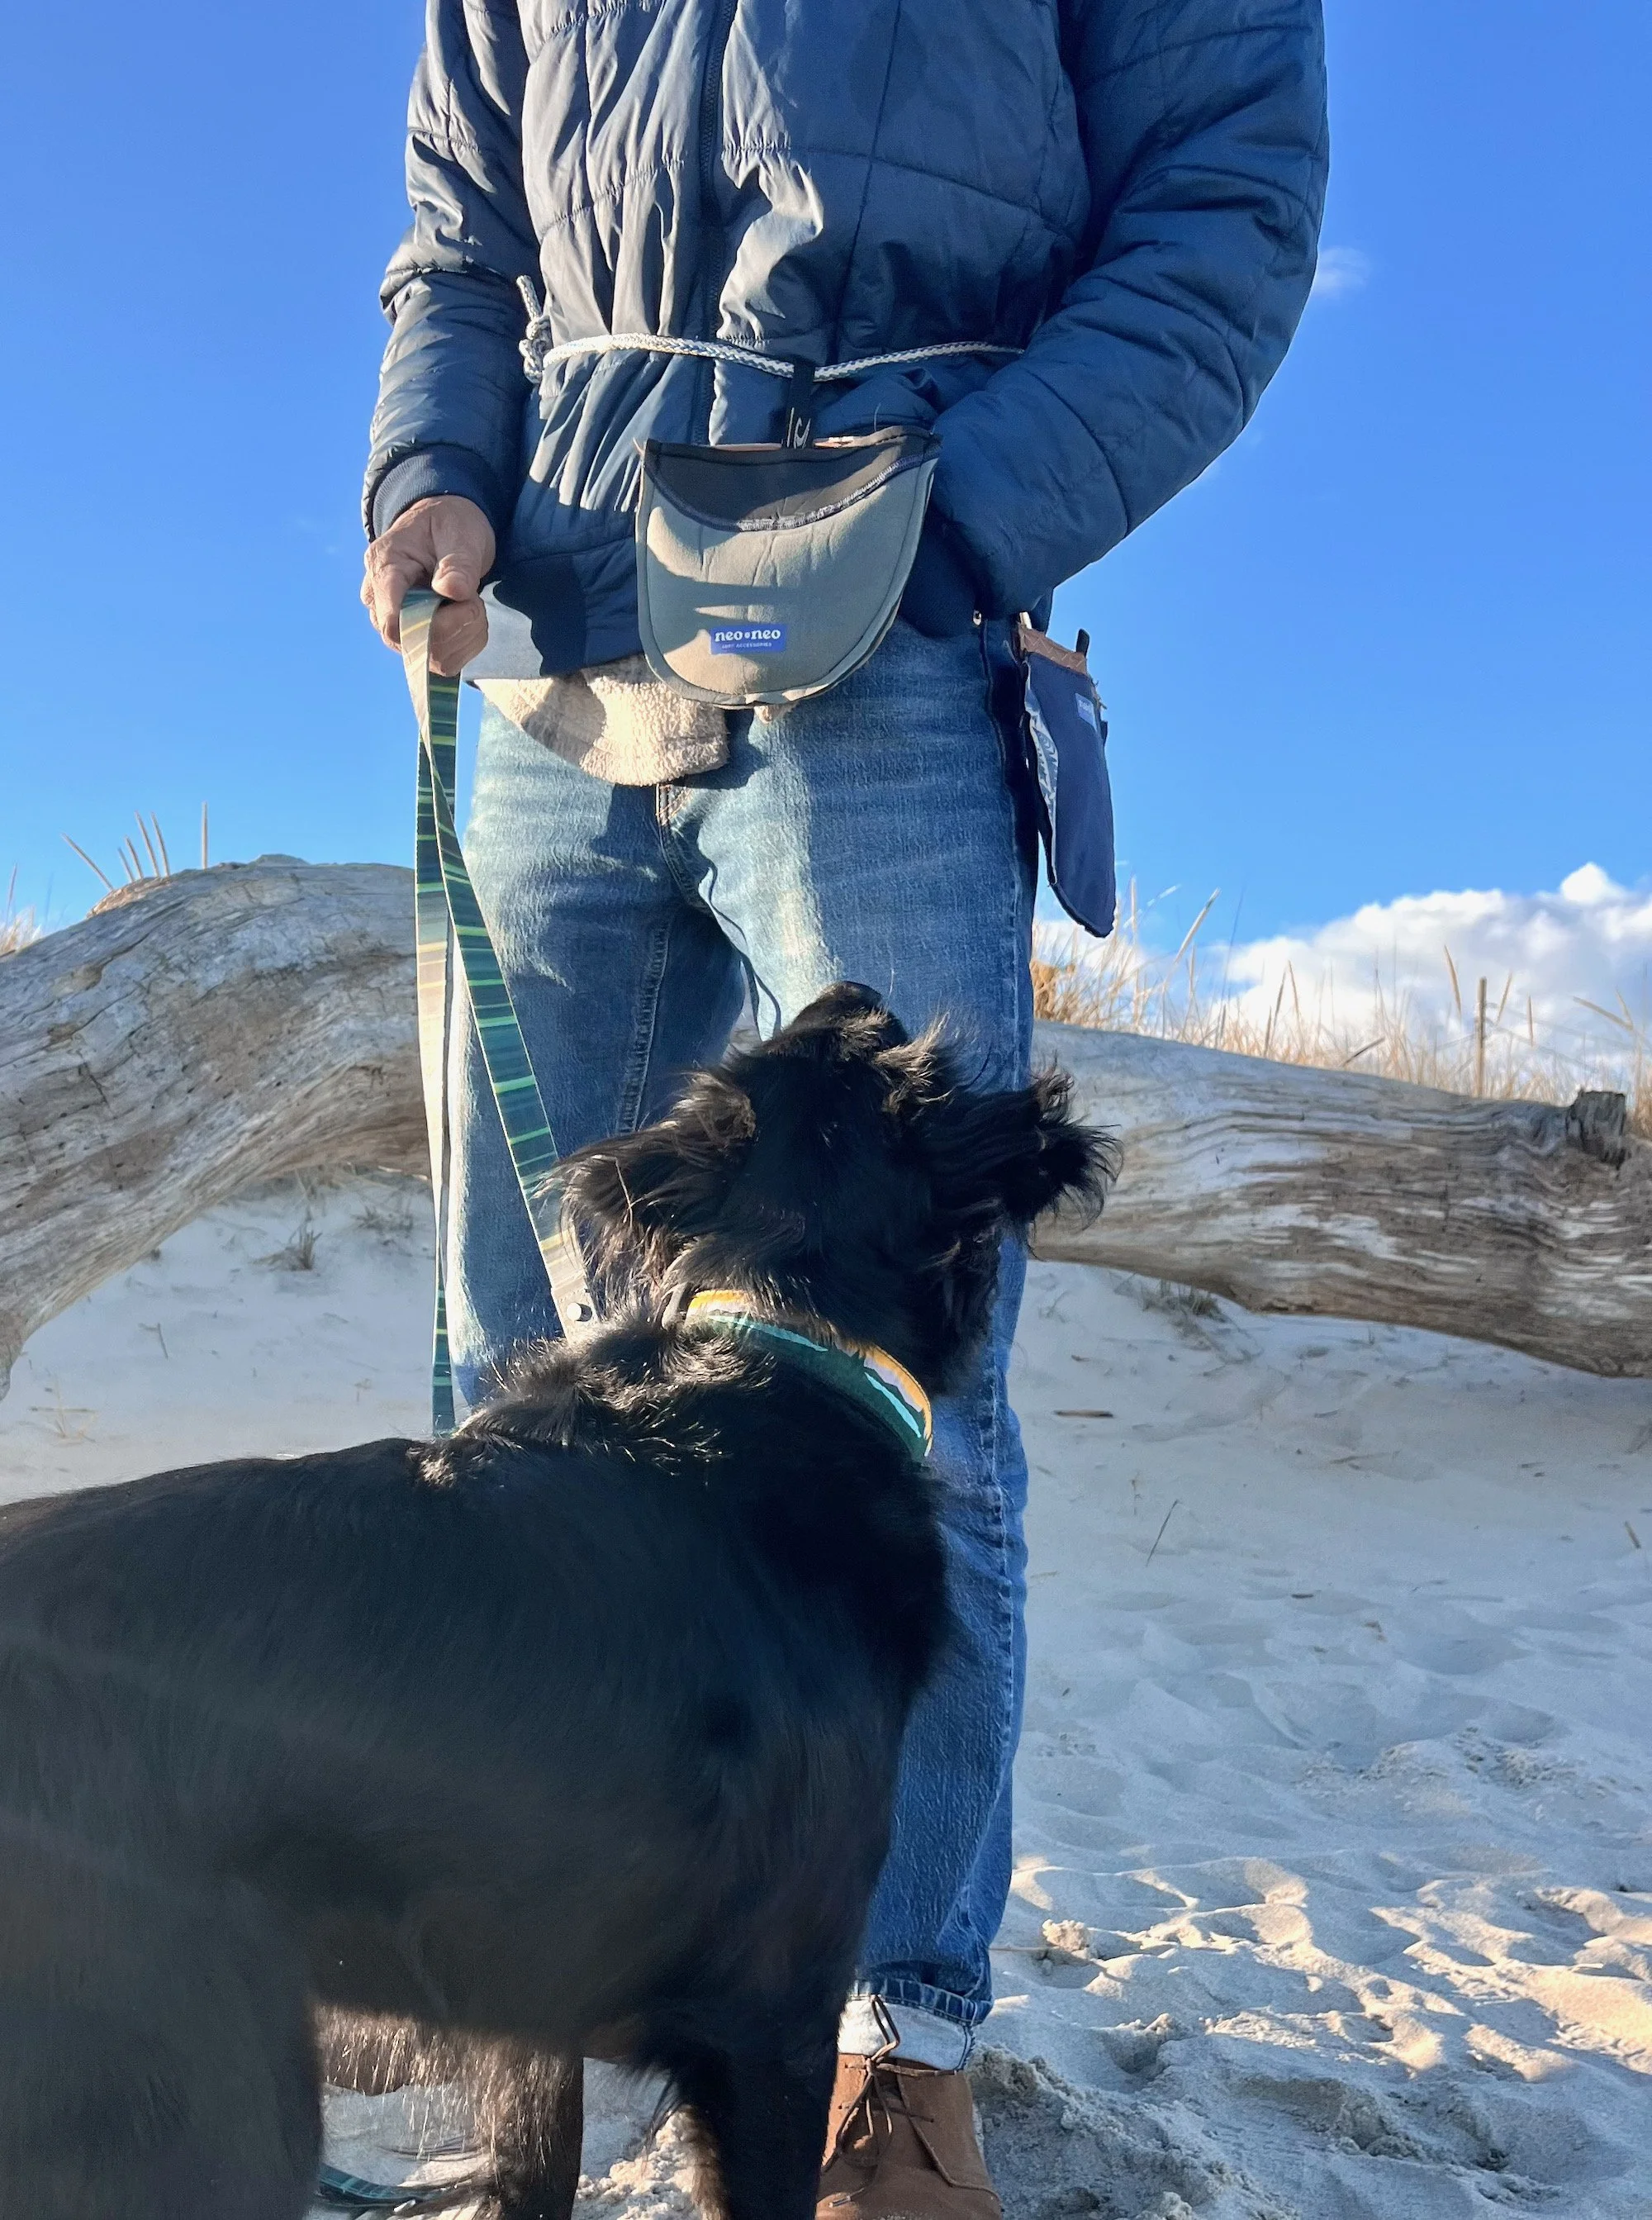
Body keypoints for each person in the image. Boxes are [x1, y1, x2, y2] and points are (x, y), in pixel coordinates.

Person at [361, 4, 1327, 2212]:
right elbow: (461, 228)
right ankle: (520, 2013)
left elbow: (1234, 202)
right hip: (552, 629)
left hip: (887, 594)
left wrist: (952, 528)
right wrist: (434, 465)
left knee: (922, 1391)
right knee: (500, 1383)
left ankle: (896, 2041)